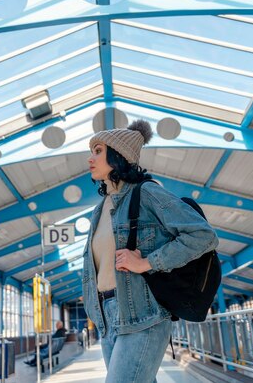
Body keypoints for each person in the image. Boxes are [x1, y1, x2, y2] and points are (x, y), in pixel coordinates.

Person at [82, 120, 218, 383]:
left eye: (98, 150)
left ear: (118, 155)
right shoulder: (100, 209)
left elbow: (203, 236)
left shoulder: (147, 193)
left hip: (143, 315)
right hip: (107, 320)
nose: (90, 158)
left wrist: (147, 262)